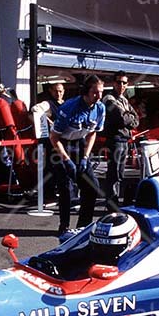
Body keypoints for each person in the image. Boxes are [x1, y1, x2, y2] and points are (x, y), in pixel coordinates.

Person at [50, 75, 105, 237]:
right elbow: (54, 137)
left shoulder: (100, 108)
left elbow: (92, 132)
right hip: (61, 145)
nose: (99, 96)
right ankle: (64, 226)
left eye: (101, 92)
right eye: (95, 93)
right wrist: (67, 161)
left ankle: (83, 225)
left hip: (80, 145)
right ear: (86, 92)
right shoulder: (70, 107)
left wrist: (86, 157)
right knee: (66, 188)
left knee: (92, 187)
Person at [101, 72, 139, 207]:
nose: (121, 85)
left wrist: (129, 118)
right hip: (115, 140)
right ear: (113, 83)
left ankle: (115, 201)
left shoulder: (124, 99)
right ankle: (111, 204)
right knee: (114, 173)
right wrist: (129, 118)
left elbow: (136, 119)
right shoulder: (109, 98)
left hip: (124, 140)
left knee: (120, 173)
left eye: (124, 83)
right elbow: (121, 118)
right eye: (119, 82)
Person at [31, 80, 67, 199]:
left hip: (65, 140)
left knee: (63, 166)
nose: (58, 93)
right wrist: (48, 122)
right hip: (51, 140)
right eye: (56, 91)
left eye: (60, 91)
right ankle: (48, 194)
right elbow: (35, 109)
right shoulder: (48, 103)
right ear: (51, 91)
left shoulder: (67, 104)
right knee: (50, 167)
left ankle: (62, 192)